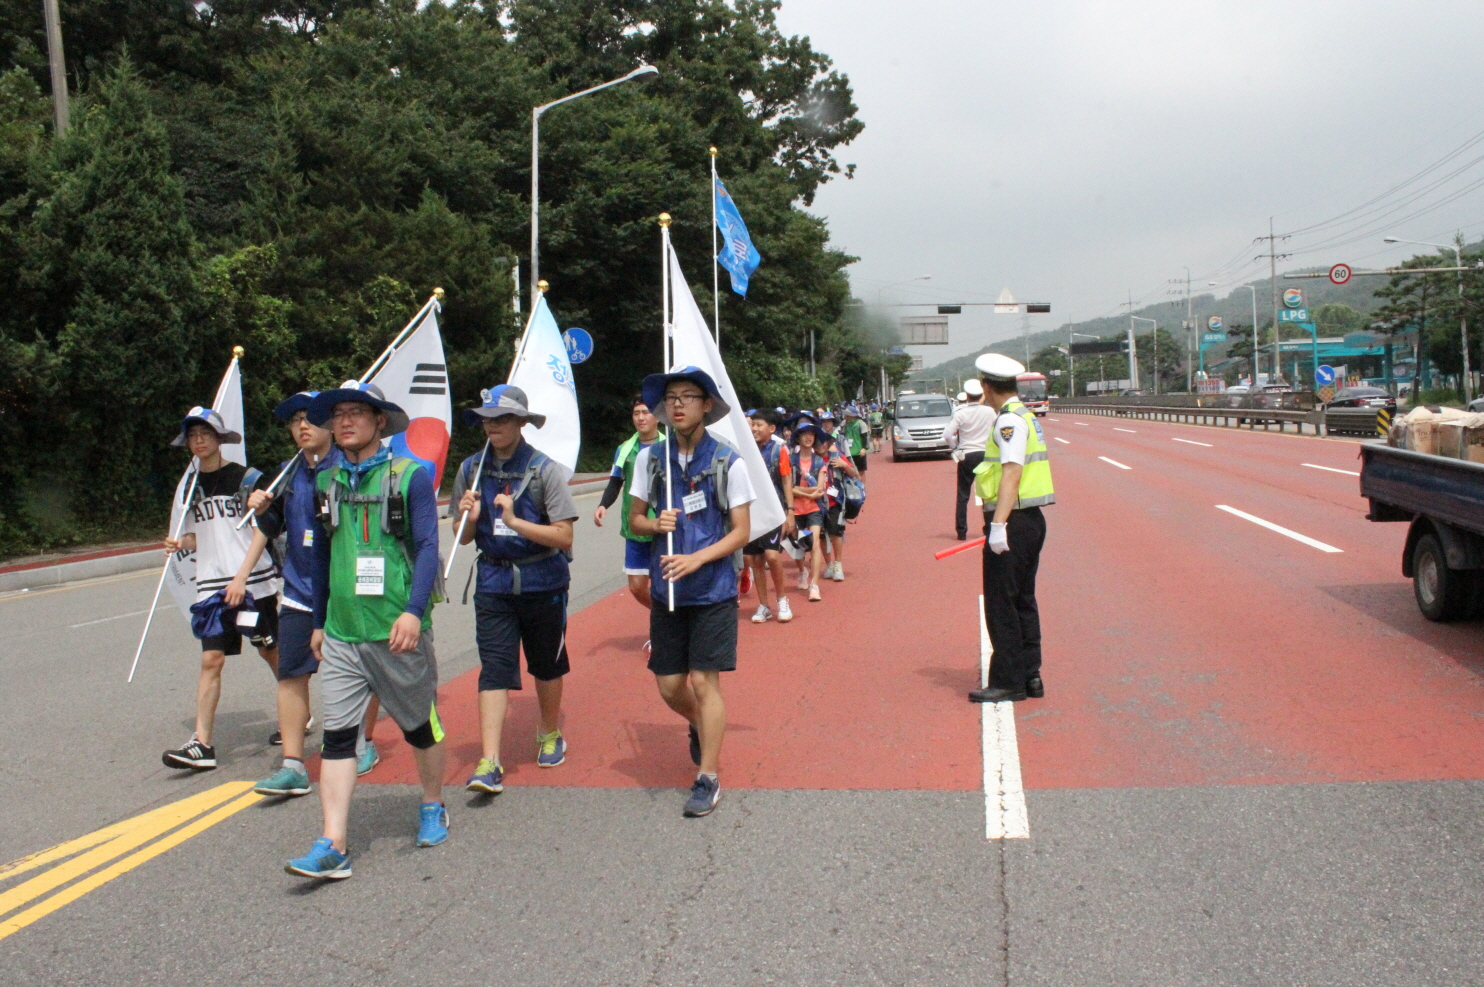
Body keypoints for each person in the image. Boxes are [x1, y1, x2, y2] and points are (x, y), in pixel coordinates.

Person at [285, 382, 446, 880]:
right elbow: (320, 554)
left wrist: (414, 612)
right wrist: (318, 622)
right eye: (339, 414)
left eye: (358, 412)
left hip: (396, 629)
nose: (346, 420)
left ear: (381, 422)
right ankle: (333, 842)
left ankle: (434, 802)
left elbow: (426, 548)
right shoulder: (325, 481)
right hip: (341, 632)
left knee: (420, 727)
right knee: (338, 738)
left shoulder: (411, 476)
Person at [627, 367, 754, 817]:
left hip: (713, 589)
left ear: (706, 406)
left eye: (687, 396)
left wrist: (699, 558)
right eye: (671, 398)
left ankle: (708, 777)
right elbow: (634, 520)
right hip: (667, 591)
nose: (677, 404)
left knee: (704, 681)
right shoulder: (650, 459)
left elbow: (742, 531)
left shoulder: (727, 460)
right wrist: (652, 524)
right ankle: (704, 726)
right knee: (668, 685)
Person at [451, 386, 579, 796]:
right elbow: (463, 537)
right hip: (493, 583)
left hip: (543, 582)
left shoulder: (544, 470)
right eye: (488, 419)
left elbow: (564, 535)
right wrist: (469, 518)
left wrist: (516, 521)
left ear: (522, 423)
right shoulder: (471, 468)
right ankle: (489, 759)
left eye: (502, 419)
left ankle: (549, 730)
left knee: (546, 665)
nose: (493, 426)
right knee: (494, 667)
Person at [160, 408, 280, 771]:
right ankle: (202, 743)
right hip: (211, 585)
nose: (199, 440)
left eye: (205, 433)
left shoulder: (247, 478)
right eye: (192, 435)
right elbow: (204, 536)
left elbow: (263, 528)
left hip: (252, 581)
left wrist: (242, 576)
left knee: (269, 651)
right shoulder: (190, 488)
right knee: (211, 659)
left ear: (219, 438)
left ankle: (296, 710)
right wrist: (181, 543)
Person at [243, 393, 339, 796]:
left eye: (311, 418)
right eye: (295, 420)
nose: (302, 426)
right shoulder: (287, 473)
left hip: (346, 593)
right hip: (300, 590)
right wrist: (260, 507)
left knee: (357, 674)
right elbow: (271, 524)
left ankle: (362, 742)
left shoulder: (349, 466)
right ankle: (293, 765)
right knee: (290, 674)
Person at [967, 355, 1055, 705]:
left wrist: (998, 526)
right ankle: (1030, 674)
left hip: (1013, 521)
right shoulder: (1026, 417)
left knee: (1002, 602)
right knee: (1023, 599)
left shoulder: (1009, 422)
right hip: (1028, 520)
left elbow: (1012, 472)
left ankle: (1008, 680)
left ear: (987, 387)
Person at [594, 396, 664, 610]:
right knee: (636, 587)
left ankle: (665, 628)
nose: (641, 418)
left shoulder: (669, 446)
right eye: (636, 413)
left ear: (658, 417)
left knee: (665, 584)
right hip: (635, 527)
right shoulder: (624, 449)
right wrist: (603, 505)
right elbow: (616, 482)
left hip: (663, 526)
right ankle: (664, 618)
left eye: (646, 412)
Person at [744, 409, 794, 624]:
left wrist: (790, 512)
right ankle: (764, 605)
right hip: (750, 512)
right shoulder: (745, 450)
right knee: (755, 560)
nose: (754, 428)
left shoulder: (779, 450)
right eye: (752, 424)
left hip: (773, 512)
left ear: (772, 429)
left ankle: (782, 599)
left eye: (759, 425)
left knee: (772, 556)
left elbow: (786, 480)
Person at [943, 377, 995, 541]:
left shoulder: (960, 412)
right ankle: (989, 528)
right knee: (988, 494)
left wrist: (955, 448)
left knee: (963, 495)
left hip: (966, 455)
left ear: (967, 395)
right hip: (985, 455)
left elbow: (947, 435)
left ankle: (961, 531)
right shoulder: (990, 411)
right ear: (982, 395)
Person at [790, 423, 830, 601]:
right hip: (795, 509)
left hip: (814, 508)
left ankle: (814, 585)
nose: (808, 438)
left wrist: (799, 490)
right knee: (797, 546)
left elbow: (820, 489)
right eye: (804, 434)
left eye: (811, 435)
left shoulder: (820, 462)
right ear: (798, 438)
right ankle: (802, 570)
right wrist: (807, 492)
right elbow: (788, 488)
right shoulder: (790, 460)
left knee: (813, 544)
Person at [841, 406, 871, 475]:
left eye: (847, 415)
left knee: (861, 472)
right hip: (849, 452)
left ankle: (862, 485)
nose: (846, 417)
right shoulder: (846, 425)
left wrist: (864, 448)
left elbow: (865, 437)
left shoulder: (861, 424)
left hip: (859, 452)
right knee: (851, 471)